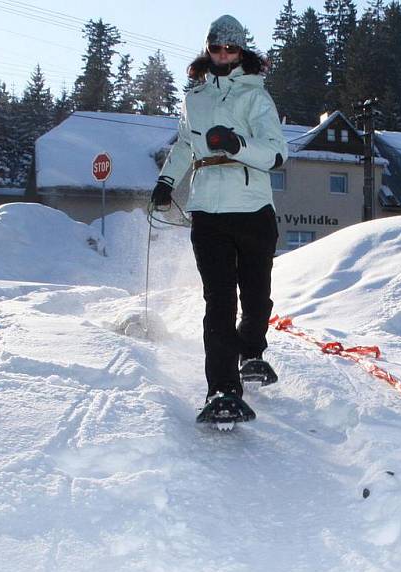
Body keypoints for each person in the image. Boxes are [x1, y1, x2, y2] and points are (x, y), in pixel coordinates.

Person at [151, 15, 288, 425]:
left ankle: (252, 352)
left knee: (257, 297)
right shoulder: (194, 97)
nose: (223, 54)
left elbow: (277, 153)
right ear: (208, 49)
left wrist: (236, 145)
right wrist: (166, 181)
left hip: (253, 210)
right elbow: (183, 144)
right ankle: (223, 389)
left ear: (241, 51)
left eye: (230, 48)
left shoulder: (256, 98)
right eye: (216, 47)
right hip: (208, 210)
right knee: (219, 302)